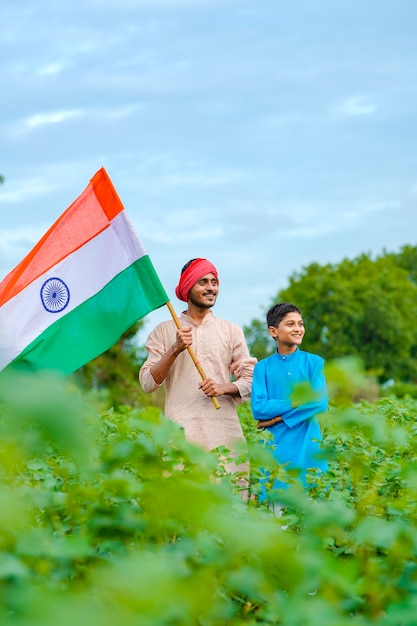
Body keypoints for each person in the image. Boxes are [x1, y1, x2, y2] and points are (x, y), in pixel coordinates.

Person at [139, 258, 257, 485]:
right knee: (185, 509)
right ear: (188, 286)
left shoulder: (231, 331)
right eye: (203, 282)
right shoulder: (164, 331)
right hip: (181, 434)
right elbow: (147, 383)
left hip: (225, 434)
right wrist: (175, 349)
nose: (211, 287)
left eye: (214, 282)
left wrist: (222, 387)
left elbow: (251, 380)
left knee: (230, 507)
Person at [251, 302, 328, 501]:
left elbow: (319, 402)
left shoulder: (314, 363)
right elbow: (259, 408)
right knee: (277, 514)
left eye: (300, 324)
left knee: (311, 511)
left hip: (308, 444)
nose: (298, 329)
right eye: (290, 324)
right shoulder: (262, 368)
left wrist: (276, 420)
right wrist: (297, 400)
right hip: (275, 449)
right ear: (273, 331)